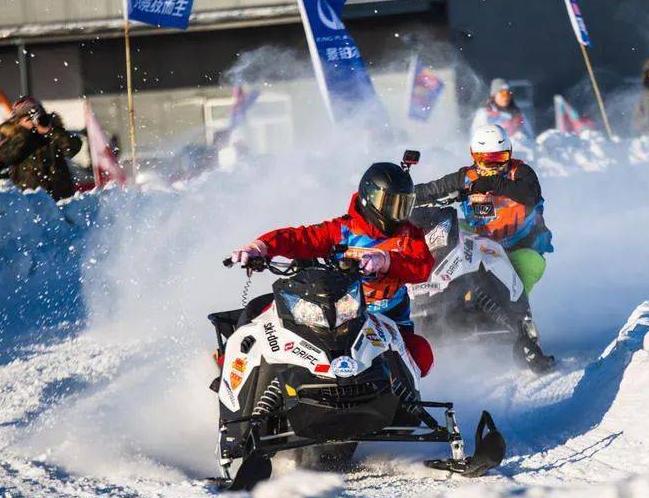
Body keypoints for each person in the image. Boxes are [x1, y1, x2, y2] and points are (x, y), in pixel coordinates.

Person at [231, 162, 436, 377]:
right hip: (343, 319)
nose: (397, 216)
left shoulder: (409, 236)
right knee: (259, 316)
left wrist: (386, 260)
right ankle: (233, 368)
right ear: (370, 198)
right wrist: (261, 246)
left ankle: (405, 403)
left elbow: (422, 267)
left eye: (403, 207)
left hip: (388, 322)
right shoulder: (342, 230)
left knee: (420, 355)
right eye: (391, 205)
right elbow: (300, 238)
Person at [413, 124, 555, 371]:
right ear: (473, 156)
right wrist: (402, 196)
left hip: (523, 248)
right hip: (481, 244)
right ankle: (440, 310)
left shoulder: (521, 174)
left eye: (498, 159)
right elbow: (433, 190)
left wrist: (492, 184)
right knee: (443, 240)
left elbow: (527, 195)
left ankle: (522, 328)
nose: (491, 166)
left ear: (508, 154)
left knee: (516, 275)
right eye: (484, 160)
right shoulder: (466, 177)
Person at [0, 96, 82, 201]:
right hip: (29, 200)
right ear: (17, 122)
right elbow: (10, 157)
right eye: (28, 118)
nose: (34, 121)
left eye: (35, 117)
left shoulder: (52, 133)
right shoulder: (12, 137)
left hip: (60, 198)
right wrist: (25, 132)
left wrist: (51, 131)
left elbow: (72, 149)